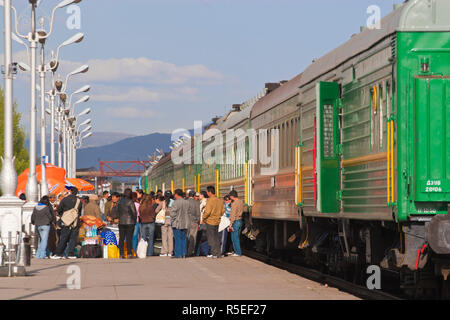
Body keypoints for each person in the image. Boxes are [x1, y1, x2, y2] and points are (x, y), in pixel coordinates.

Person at [51, 187, 82, 259]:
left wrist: (63, 215)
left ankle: (58, 253)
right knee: (73, 238)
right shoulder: (79, 201)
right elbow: (79, 212)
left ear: (70, 192)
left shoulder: (65, 199)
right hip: (75, 221)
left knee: (63, 238)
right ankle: (70, 254)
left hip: (65, 221)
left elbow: (59, 210)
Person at [202, 186, 224, 258]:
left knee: (211, 238)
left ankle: (213, 253)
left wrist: (203, 217)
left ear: (210, 192)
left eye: (207, 192)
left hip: (210, 221)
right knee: (216, 237)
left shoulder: (210, 200)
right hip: (217, 221)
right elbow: (222, 211)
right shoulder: (219, 200)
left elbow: (207, 212)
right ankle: (218, 253)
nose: (207, 193)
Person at [117, 188, 137, 259]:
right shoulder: (130, 202)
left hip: (121, 222)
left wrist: (119, 218)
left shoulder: (119, 201)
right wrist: (134, 220)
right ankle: (129, 253)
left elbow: (117, 211)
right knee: (129, 238)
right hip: (130, 222)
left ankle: (121, 253)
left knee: (121, 238)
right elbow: (134, 212)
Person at [170, 189, 190, 258]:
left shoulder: (175, 203)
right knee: (184, 238)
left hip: (177, 223)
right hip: (185, 223)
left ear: (176, 194)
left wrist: (172, 221)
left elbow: (172, 213)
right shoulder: (187, 202)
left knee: (177, 238)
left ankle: (178, 254)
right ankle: (184, 253)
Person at [157, 192, 173, 256]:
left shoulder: (162, 202)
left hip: (164, 221)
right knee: (170, 237)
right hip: (171, 221)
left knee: (164, 237)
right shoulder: (174, 202)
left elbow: (156, 210)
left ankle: (164, 251)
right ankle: (170, 252)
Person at [229, 190, 244, 257]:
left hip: (235, 221)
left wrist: (230, 224)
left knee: (234, 238)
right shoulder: (241, 201)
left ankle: (238, 252)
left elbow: (233, 214)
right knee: (237, 237)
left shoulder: (235, 203)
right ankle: (236, 251)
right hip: (240, 220)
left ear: (232, 196)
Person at [186, 190, 200, 257]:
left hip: (186, 221)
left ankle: (185, 250)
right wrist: (198, 221)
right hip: (194, 221)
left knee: (185, 236)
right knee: (193, 237)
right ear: (194, 196)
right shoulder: (197, 203)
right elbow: (198, 213)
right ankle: (191, 251)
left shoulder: (185, 202)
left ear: (188, 195)